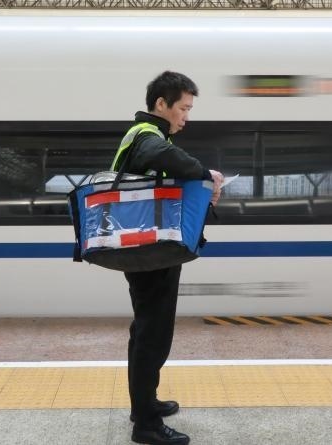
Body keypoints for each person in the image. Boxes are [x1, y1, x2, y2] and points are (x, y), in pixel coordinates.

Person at [111, 71, 223, 445]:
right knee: (153, 334)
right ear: (161, 104)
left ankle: (144, 404)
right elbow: (163, 156)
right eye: (183, 108)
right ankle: (146, 425)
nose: (186, 117)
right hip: (149, 253)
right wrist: (206, 173)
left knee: (146, 330)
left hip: (149, 248)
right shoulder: (147, 136)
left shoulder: (149, 136)